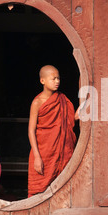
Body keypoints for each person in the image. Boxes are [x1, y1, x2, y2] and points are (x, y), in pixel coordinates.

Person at [28, 65, 78, 197]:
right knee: (39, 194)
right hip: (44, 153)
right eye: (53, 78)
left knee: (62, 192)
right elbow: (31, 130)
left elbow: (69, 120)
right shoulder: (37, 102)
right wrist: (37, 157)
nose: (57, 81)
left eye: (58, 78)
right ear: (42, 81)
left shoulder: (63, 100)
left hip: (62, 152)